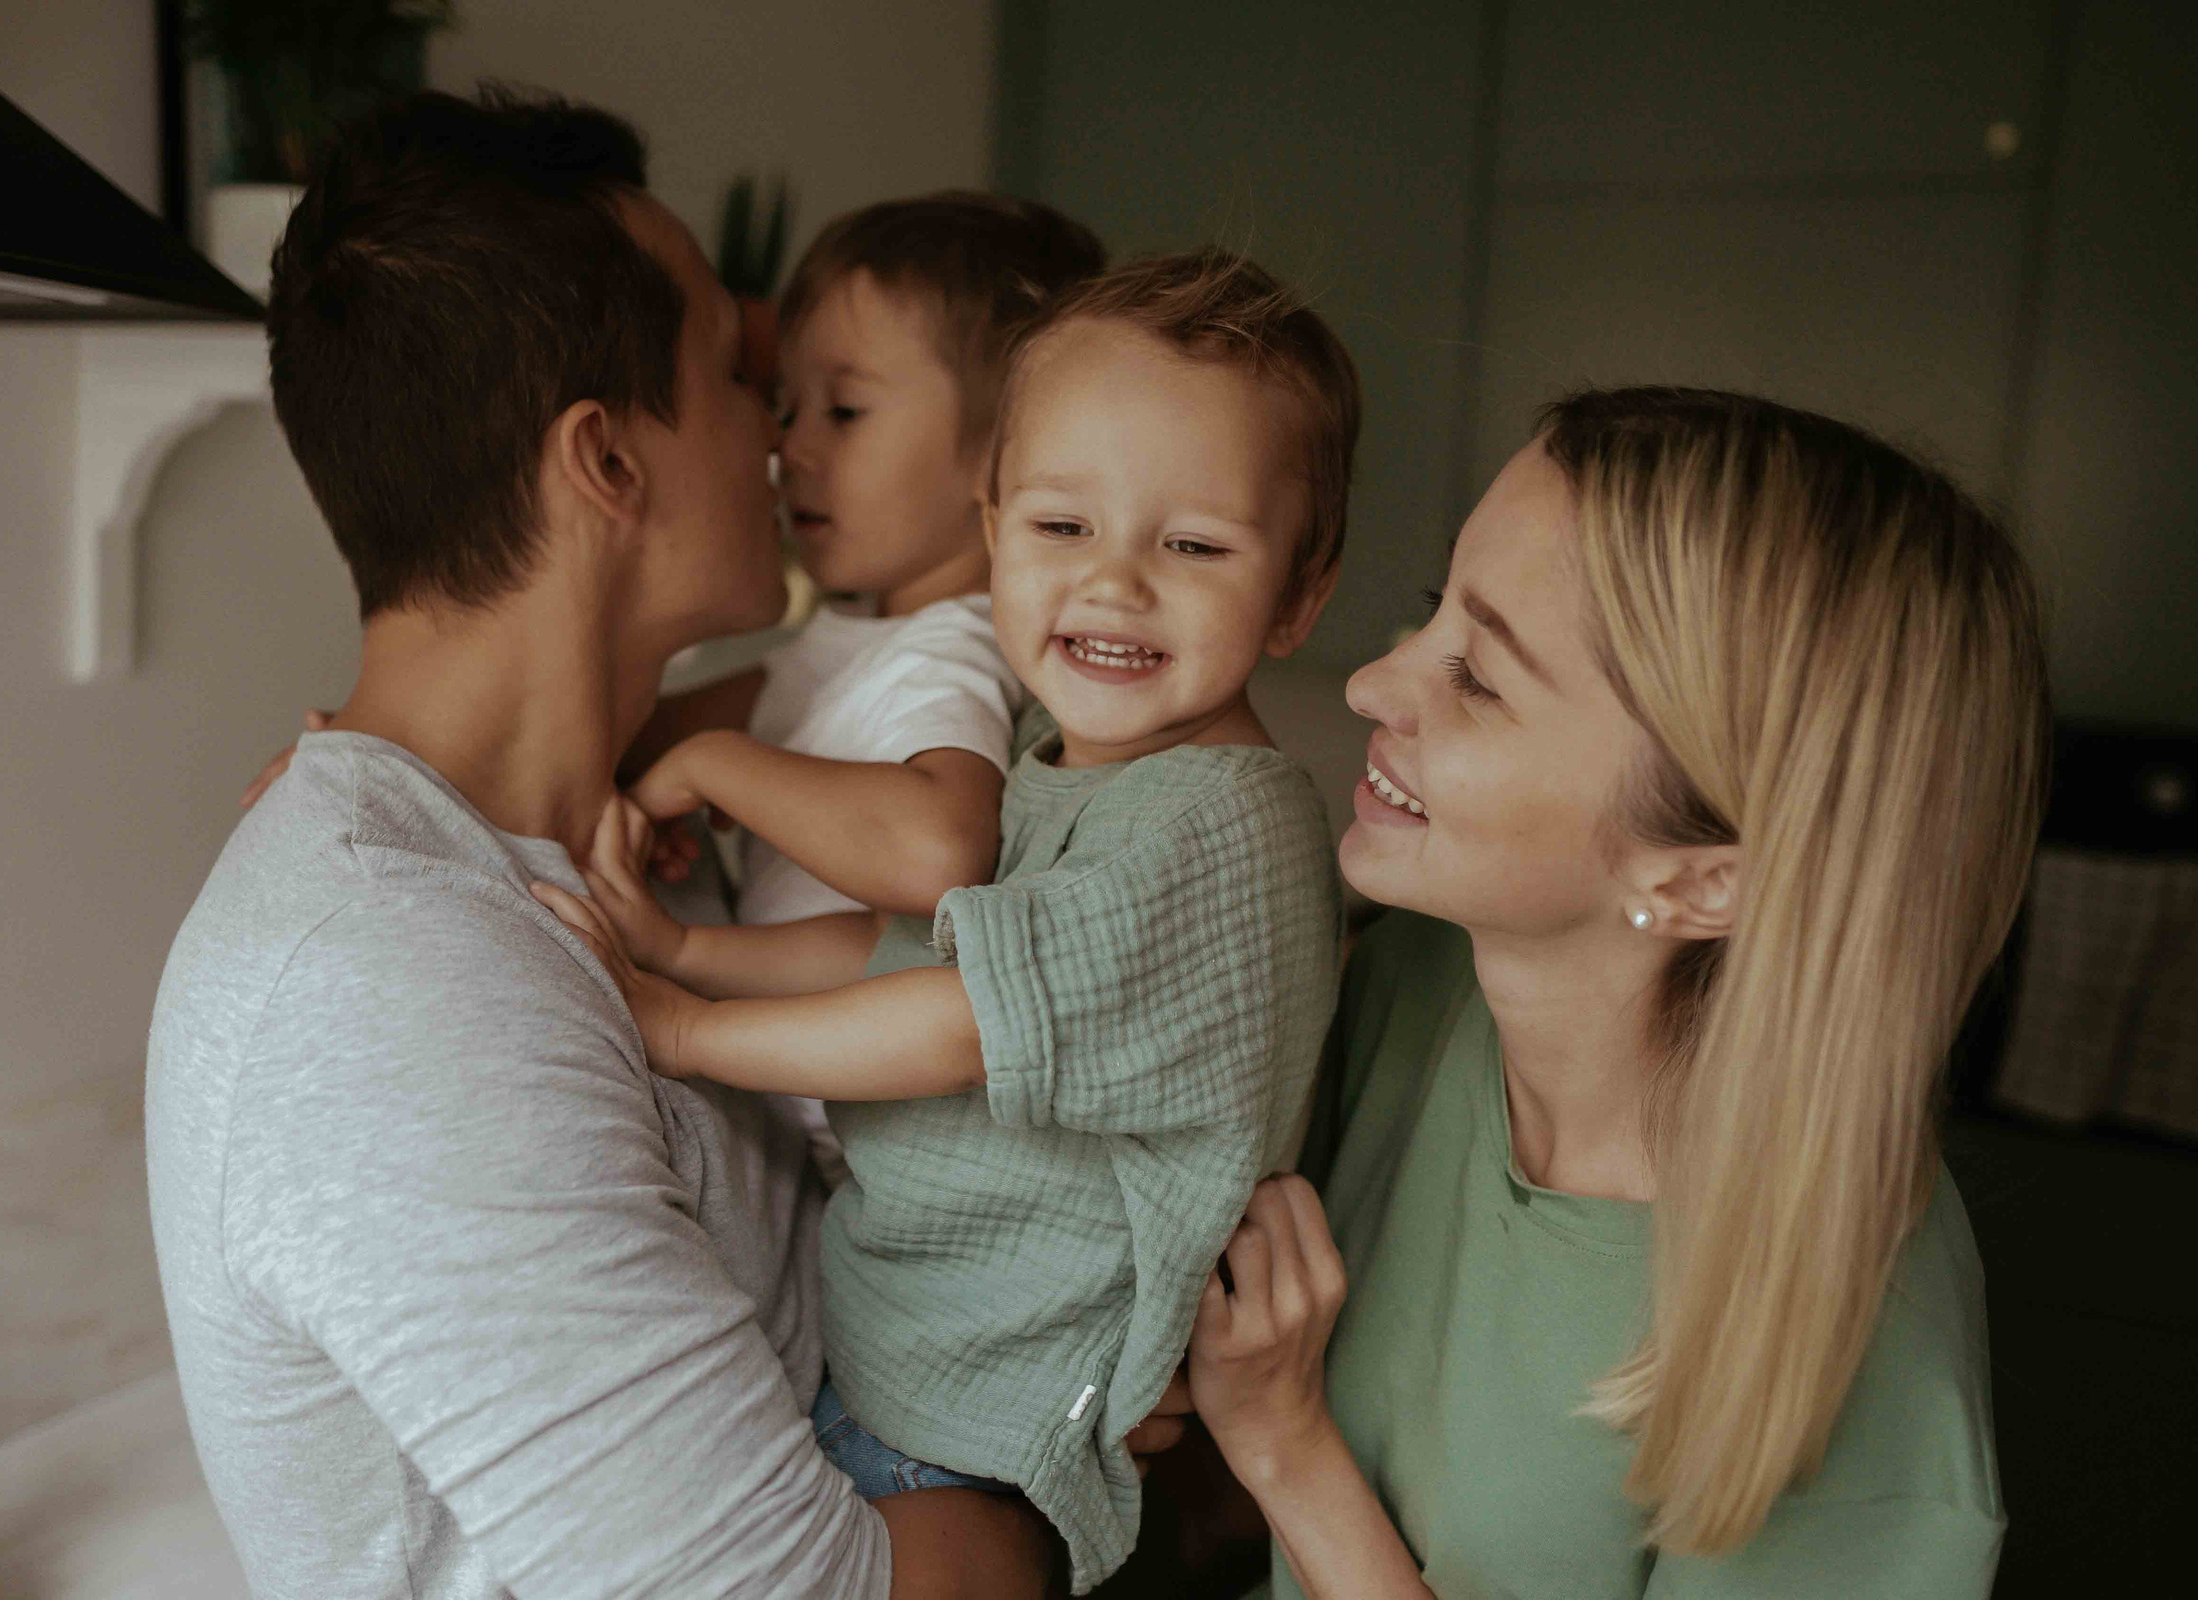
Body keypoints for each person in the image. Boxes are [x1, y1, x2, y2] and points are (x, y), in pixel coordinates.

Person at [147, 89, 1125, 1600]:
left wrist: (1048, 1353)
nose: (780, 431)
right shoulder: (391, 985)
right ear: (606, 465)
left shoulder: (596, 835)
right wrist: (1055, 1481)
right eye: (741, 375)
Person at [535, 251, 1356, 1592]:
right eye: (1059, 528)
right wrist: (691, 954)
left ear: (1303, 593)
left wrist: (687, 1031)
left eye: (1195, 546)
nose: (1113, 584)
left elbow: (961, 1021)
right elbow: (907, 950)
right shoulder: (1059, 764)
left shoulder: (1221, 824)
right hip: (896, 1376)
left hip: (997, 1441)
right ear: (991, 524)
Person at [1181, 387, 2047, 1598]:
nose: (1374, 684)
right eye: (1431, 613)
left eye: (1478, 676)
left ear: (1699, 880)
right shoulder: (1413, 986)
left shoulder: (1856, 1341)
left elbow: (1286, 1435)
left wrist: (1286, 1448)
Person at [620, 193, 1106, 1181]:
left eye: (844, 409)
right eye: (787, 406)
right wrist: (410, 744)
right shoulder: (847, 640)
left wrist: (715, 765)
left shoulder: (955, 642)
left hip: (912, 1169)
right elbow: (628, 734)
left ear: (1009, 448)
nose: (789, 445)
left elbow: (934, 848)